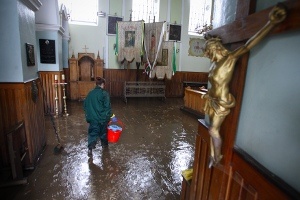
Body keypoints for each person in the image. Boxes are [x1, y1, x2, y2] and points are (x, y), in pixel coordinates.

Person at [202, 4, 287, 167]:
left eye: (208, 51)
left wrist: (270, 23)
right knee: (211, 130)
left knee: (213, 130)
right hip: (212, 100)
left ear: (215, 49)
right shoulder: (214, 64)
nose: (207, 55)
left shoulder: (230, 60)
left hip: (221, 102)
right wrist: (209, 37)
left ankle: (217, 157)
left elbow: (248, 45)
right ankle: (213, 156)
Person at [83, 77, 117, 156]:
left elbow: (85, 106)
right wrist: (112, 117)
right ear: (102, 84)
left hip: (93, 119)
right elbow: (107, 108)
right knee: (103, 133)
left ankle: (90, 149)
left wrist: (90, 115)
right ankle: (104, 147)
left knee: (93, 133)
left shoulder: (90, 93)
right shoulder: (104, 93)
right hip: (103, 119)